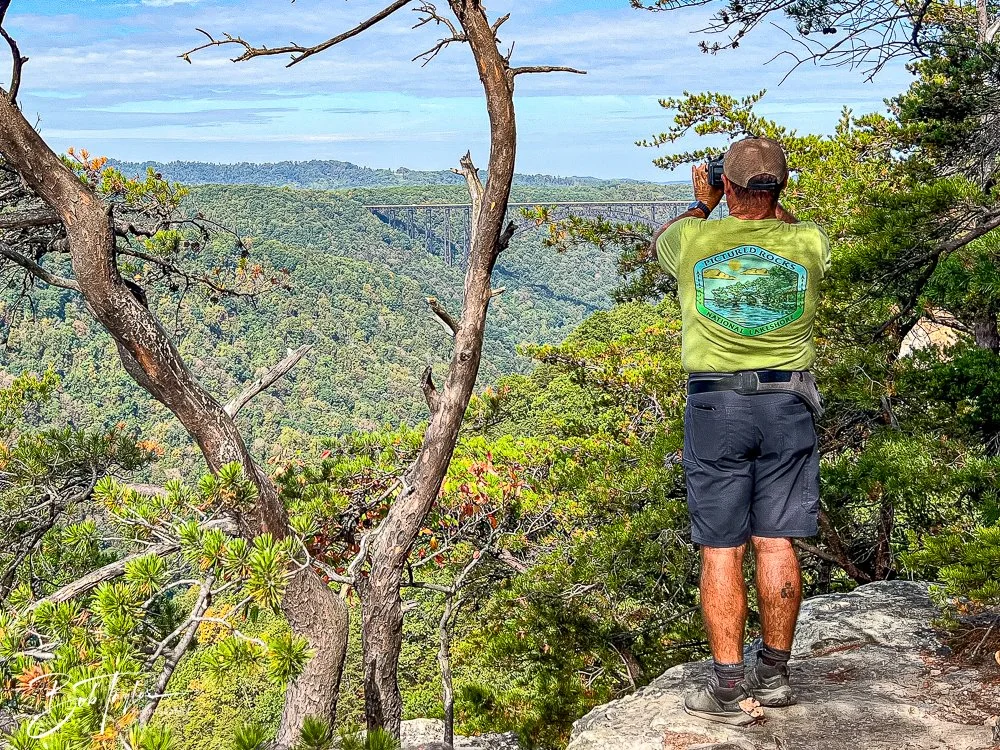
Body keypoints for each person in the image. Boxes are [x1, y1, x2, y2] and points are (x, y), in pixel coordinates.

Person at [650, 137, 831, 726]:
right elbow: (789, 221)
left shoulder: (693, 239)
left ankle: (728, 684)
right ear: (781, 189)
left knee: (721, 545)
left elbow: (668, 239)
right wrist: (769, 201)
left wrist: (704, 204)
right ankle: (774, 674)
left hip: (716, 406)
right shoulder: (808, 243)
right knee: (776, 540)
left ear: (724, 186)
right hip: (787, 403)